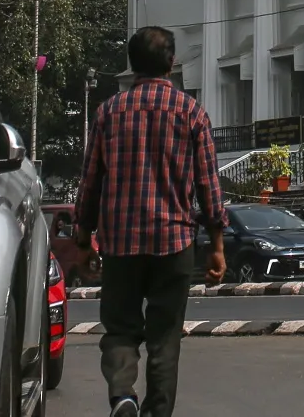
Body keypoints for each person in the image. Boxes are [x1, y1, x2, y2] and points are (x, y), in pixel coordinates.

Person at [73, 26, 225, 417]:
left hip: (120, 243)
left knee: (120, 329)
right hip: (173, 243)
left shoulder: (108, 112)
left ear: (131, 63)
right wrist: (218, 247)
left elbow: (90, 181)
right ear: (171, 63)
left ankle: (123, 395)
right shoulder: (191, 113)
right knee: (164, 339)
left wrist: (82, 235)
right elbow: (208, 185)